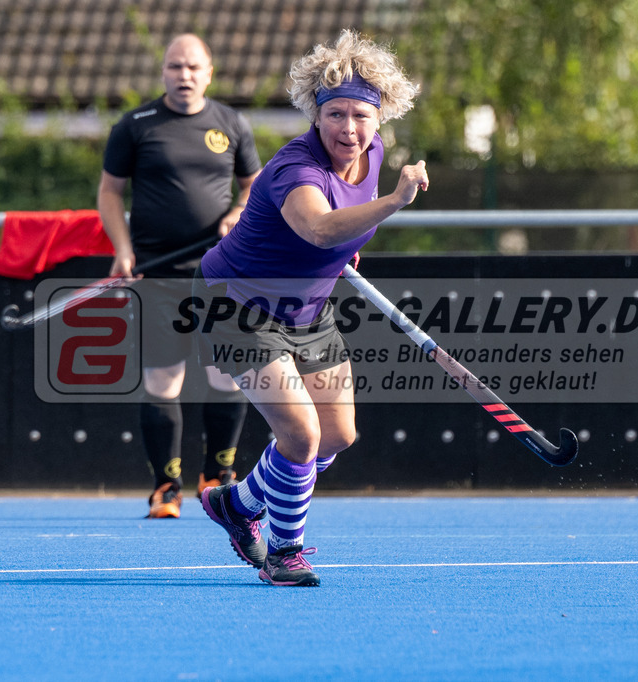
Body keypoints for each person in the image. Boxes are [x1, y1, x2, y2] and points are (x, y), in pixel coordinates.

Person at [194, 29, 426, 586]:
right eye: (336, 115)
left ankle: (238, 504)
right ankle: (284, 551)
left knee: (339, 435)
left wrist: (358, 245)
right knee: (301, 435)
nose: (349, 129)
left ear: (381, 117)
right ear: (315, 115)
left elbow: (345, 223)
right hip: (238, 306)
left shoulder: (372, 152)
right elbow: (320, 228)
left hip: (308, 310)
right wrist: (393, 203)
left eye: (361, 116)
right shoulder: (293, 169)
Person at [97, 34, 262, 518]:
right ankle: (165, 487)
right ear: (163, 72)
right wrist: (123, 250)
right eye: (175, 67)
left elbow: (255, 188)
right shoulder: (135, 125)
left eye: (193, 67)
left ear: (209, 72)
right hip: (157, 273)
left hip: (222, 275)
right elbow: (109, 193)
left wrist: (238, 211)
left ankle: (218, 477)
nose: (184, 75)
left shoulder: (231, 123)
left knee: (226, 375)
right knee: (164, 379)